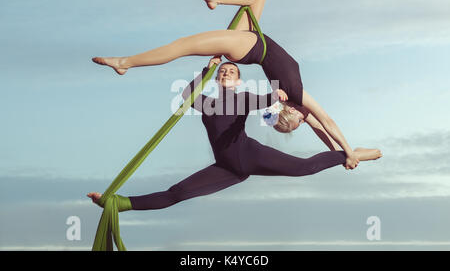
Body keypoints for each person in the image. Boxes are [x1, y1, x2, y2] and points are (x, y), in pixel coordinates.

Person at [92, 0, 370, 169]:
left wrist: (346, 153)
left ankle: (125, 62)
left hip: (250, 46)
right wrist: (345, 152)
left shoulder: (293, 96)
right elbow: (325, 126)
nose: (305, 120)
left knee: (184, 45)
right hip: (252, 43)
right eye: (301, 121)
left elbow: (324, 124)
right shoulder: (296, 96)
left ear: (293, 114)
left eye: (300, 122)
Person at [88, 58, 381, 211]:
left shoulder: (242, 98)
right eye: (223, 72)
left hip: (250, 155)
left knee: (305, 167)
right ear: (217, 78)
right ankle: (119, 203)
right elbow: (186, 96)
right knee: (177, 194)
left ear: (238, 80)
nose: (226, 73)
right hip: (228, 168)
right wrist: (208, 68)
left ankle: (350, 154)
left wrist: (274, 95)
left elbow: (260, 101)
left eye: (232, 71)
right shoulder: (205, 103)